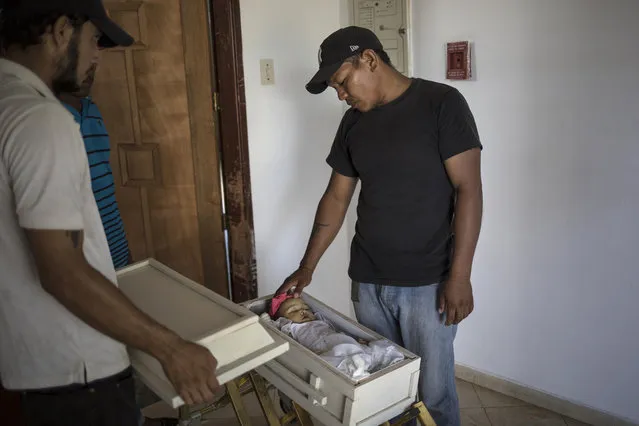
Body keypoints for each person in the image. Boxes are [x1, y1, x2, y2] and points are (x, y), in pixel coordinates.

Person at [0, 1, 220, 425]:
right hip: (78, 370)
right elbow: (61, 269)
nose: (98, 54)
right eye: (95, 40)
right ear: (63, 29)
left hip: (30, 365)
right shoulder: (41, 118)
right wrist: (171, 348)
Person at [277, 26, 483, 426]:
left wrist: (460, 276)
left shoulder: (441, 103)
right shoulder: (354, 123)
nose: (341, 95)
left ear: (369, 60)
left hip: (429, 284)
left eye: (342, 82)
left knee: (433, 395)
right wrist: (307, 266)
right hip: (368, 281)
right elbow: (336, 198)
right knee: (380, 390)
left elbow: (468, 189)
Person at [58, 64, 175, 426]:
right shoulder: (41, 119)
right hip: (77, 261)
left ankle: (133, 418)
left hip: (115, 252)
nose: (95, 61)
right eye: (91, 42)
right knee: (90, 359)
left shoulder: (90, 109)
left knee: (118, 349)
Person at [58, 64, 131, 270]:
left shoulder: (93, 110)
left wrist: (123, 247)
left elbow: (105, 190)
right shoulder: (49, 118)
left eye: (93, 66)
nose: (91, 71)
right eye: (82, 64)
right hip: (84, 255)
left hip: (115, 243)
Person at [268, 295, 404, 380]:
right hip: (327, 351)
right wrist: (267, 320)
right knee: (333, 364)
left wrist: (355, 339)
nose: (302, 311)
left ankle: (388, 364)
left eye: (305, 307)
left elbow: (338, 328)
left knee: (374, 349)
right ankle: (359, 372)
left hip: (344, 341)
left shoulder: (319, 320)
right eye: (293, 310)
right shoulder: (291, 327)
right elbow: (274, 328)